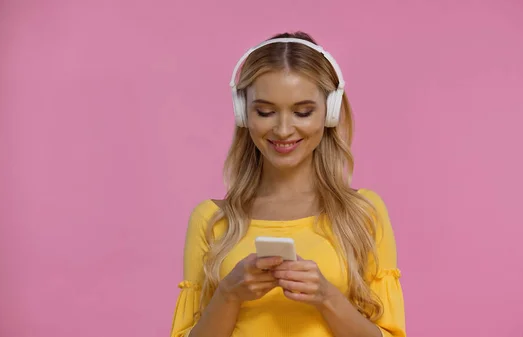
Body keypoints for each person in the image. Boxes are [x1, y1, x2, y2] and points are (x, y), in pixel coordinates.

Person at [169, 31, 406, 337]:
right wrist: (229, 294)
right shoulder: (213, 220)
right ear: (243, 113)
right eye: (265, 112)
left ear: (329, 113)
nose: (283, 130)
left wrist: (326, 296)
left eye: (303, 112)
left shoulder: (362, 214)